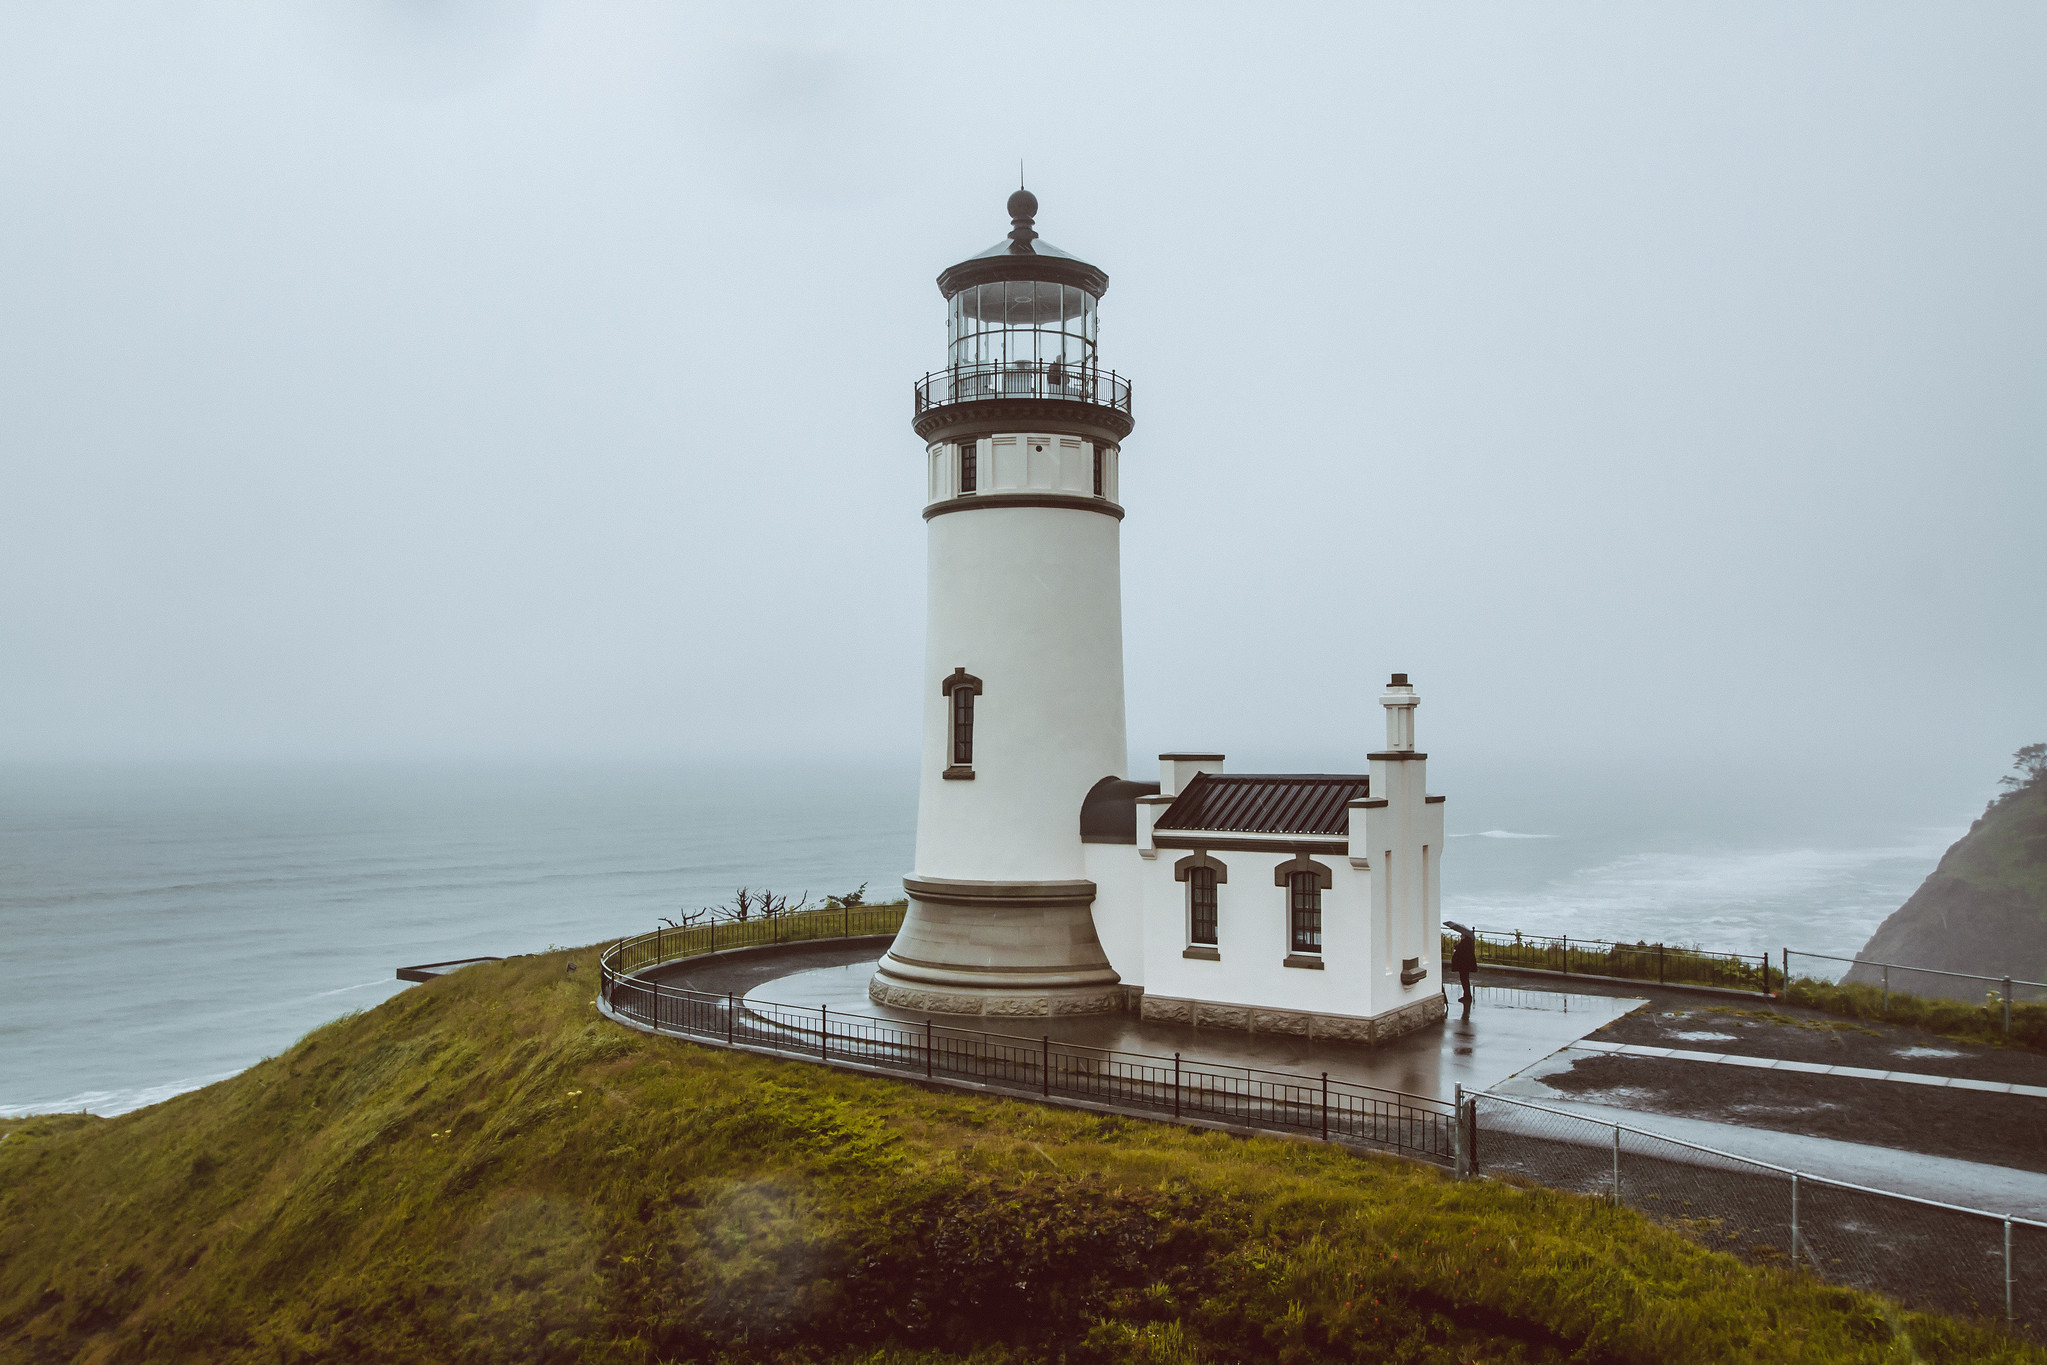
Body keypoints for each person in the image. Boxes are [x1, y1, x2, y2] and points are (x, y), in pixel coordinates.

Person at [1449, 924, 1478, 1005]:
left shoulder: (1464, 944)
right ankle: (1467, 995)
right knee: (1465, 980)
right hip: (1465, 965)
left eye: (1462, 934)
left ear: (1465, 936)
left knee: (1464, 980)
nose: (1461, 936)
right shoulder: (1467, 943)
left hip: (1464, 965)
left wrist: (1456, 948)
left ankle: (1467, 996)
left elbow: (1461, 952)